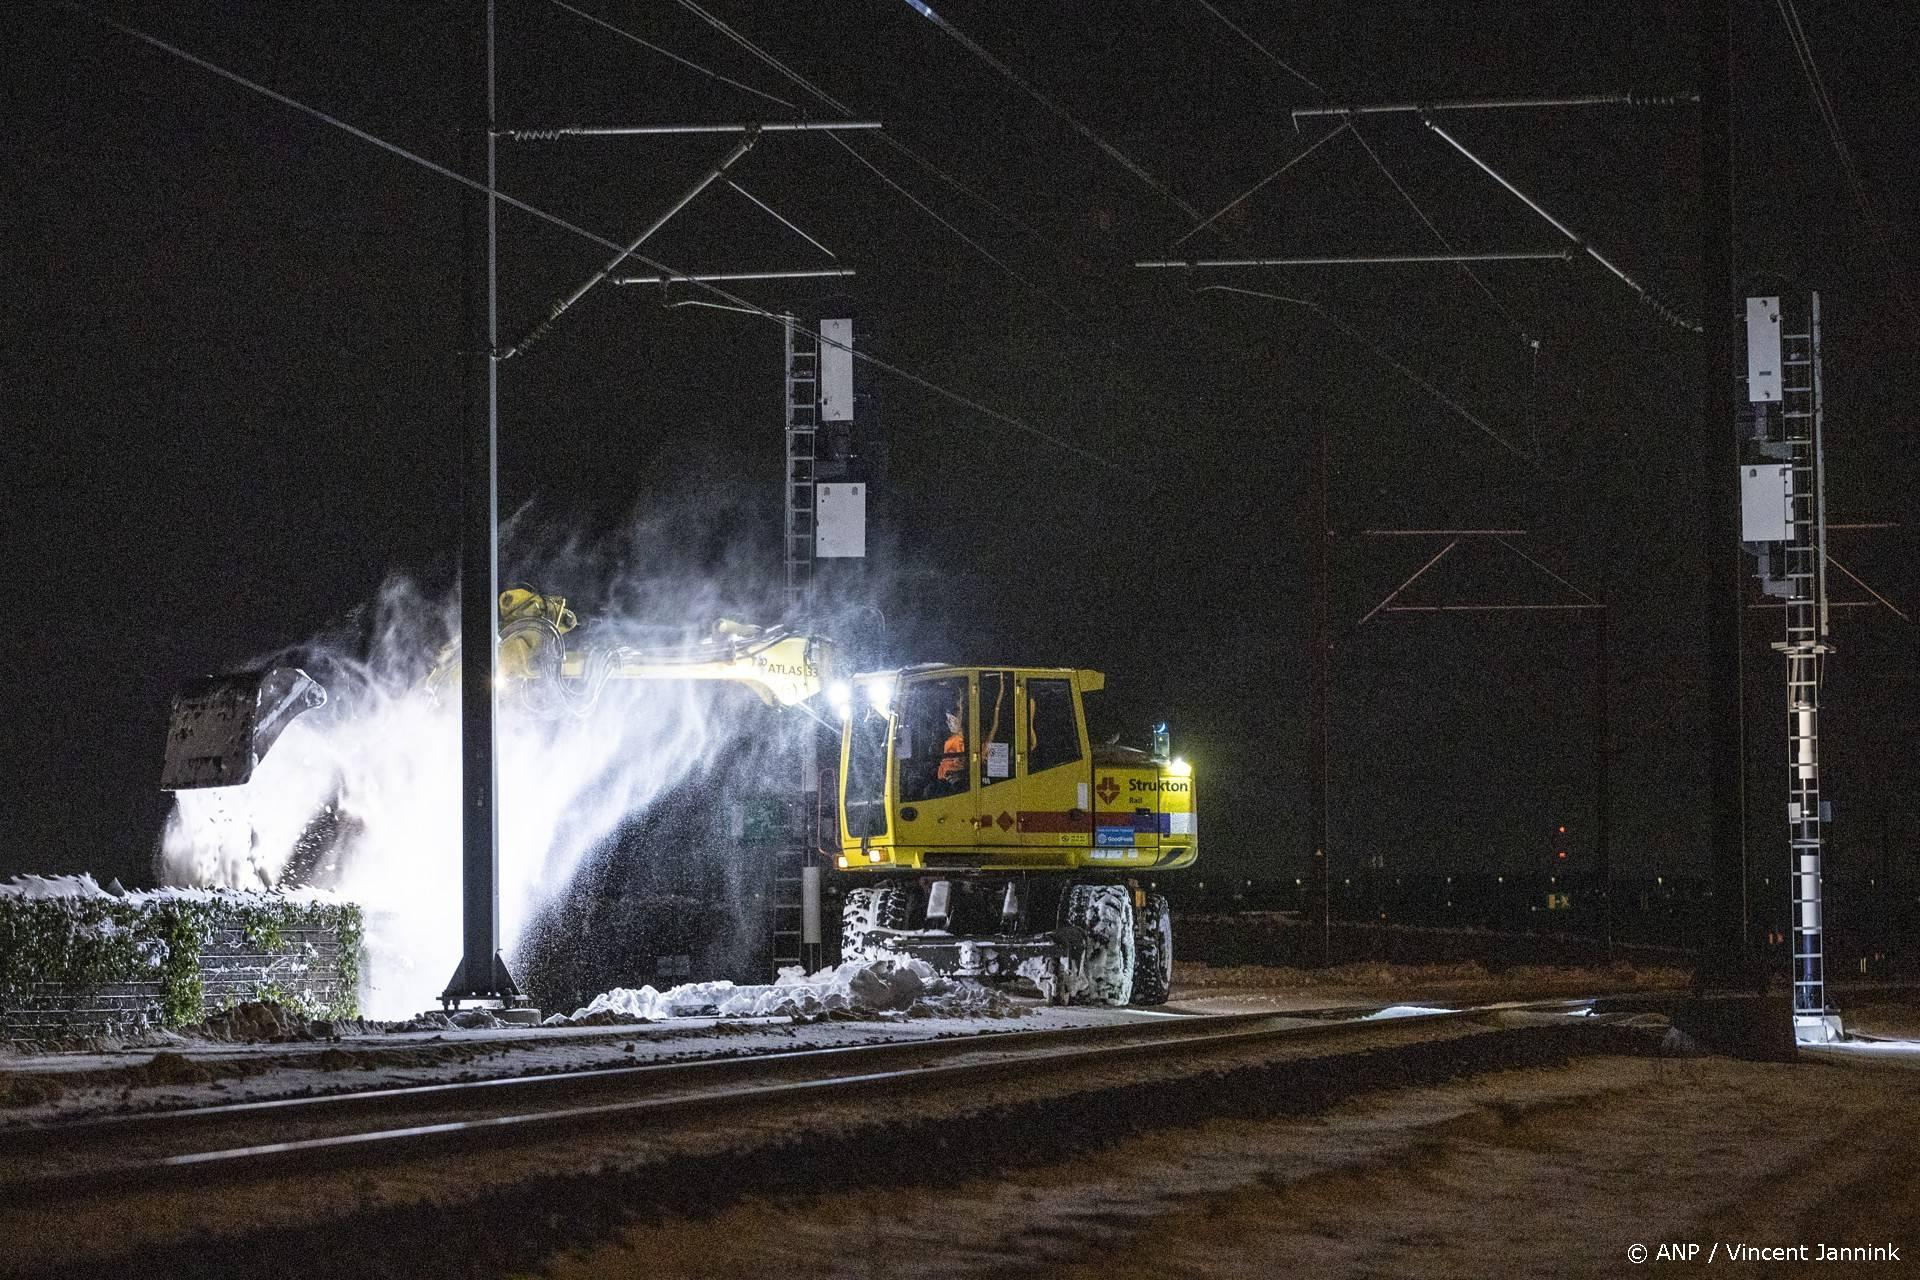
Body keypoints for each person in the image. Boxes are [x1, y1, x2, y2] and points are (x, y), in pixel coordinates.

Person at [935, 708, 967, 790]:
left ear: (961, 719)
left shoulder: (975, 741)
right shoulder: (950, 742)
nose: (947, 722)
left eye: (951, 719)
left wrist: (963, 775)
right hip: (945, 783)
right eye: (947, 719)